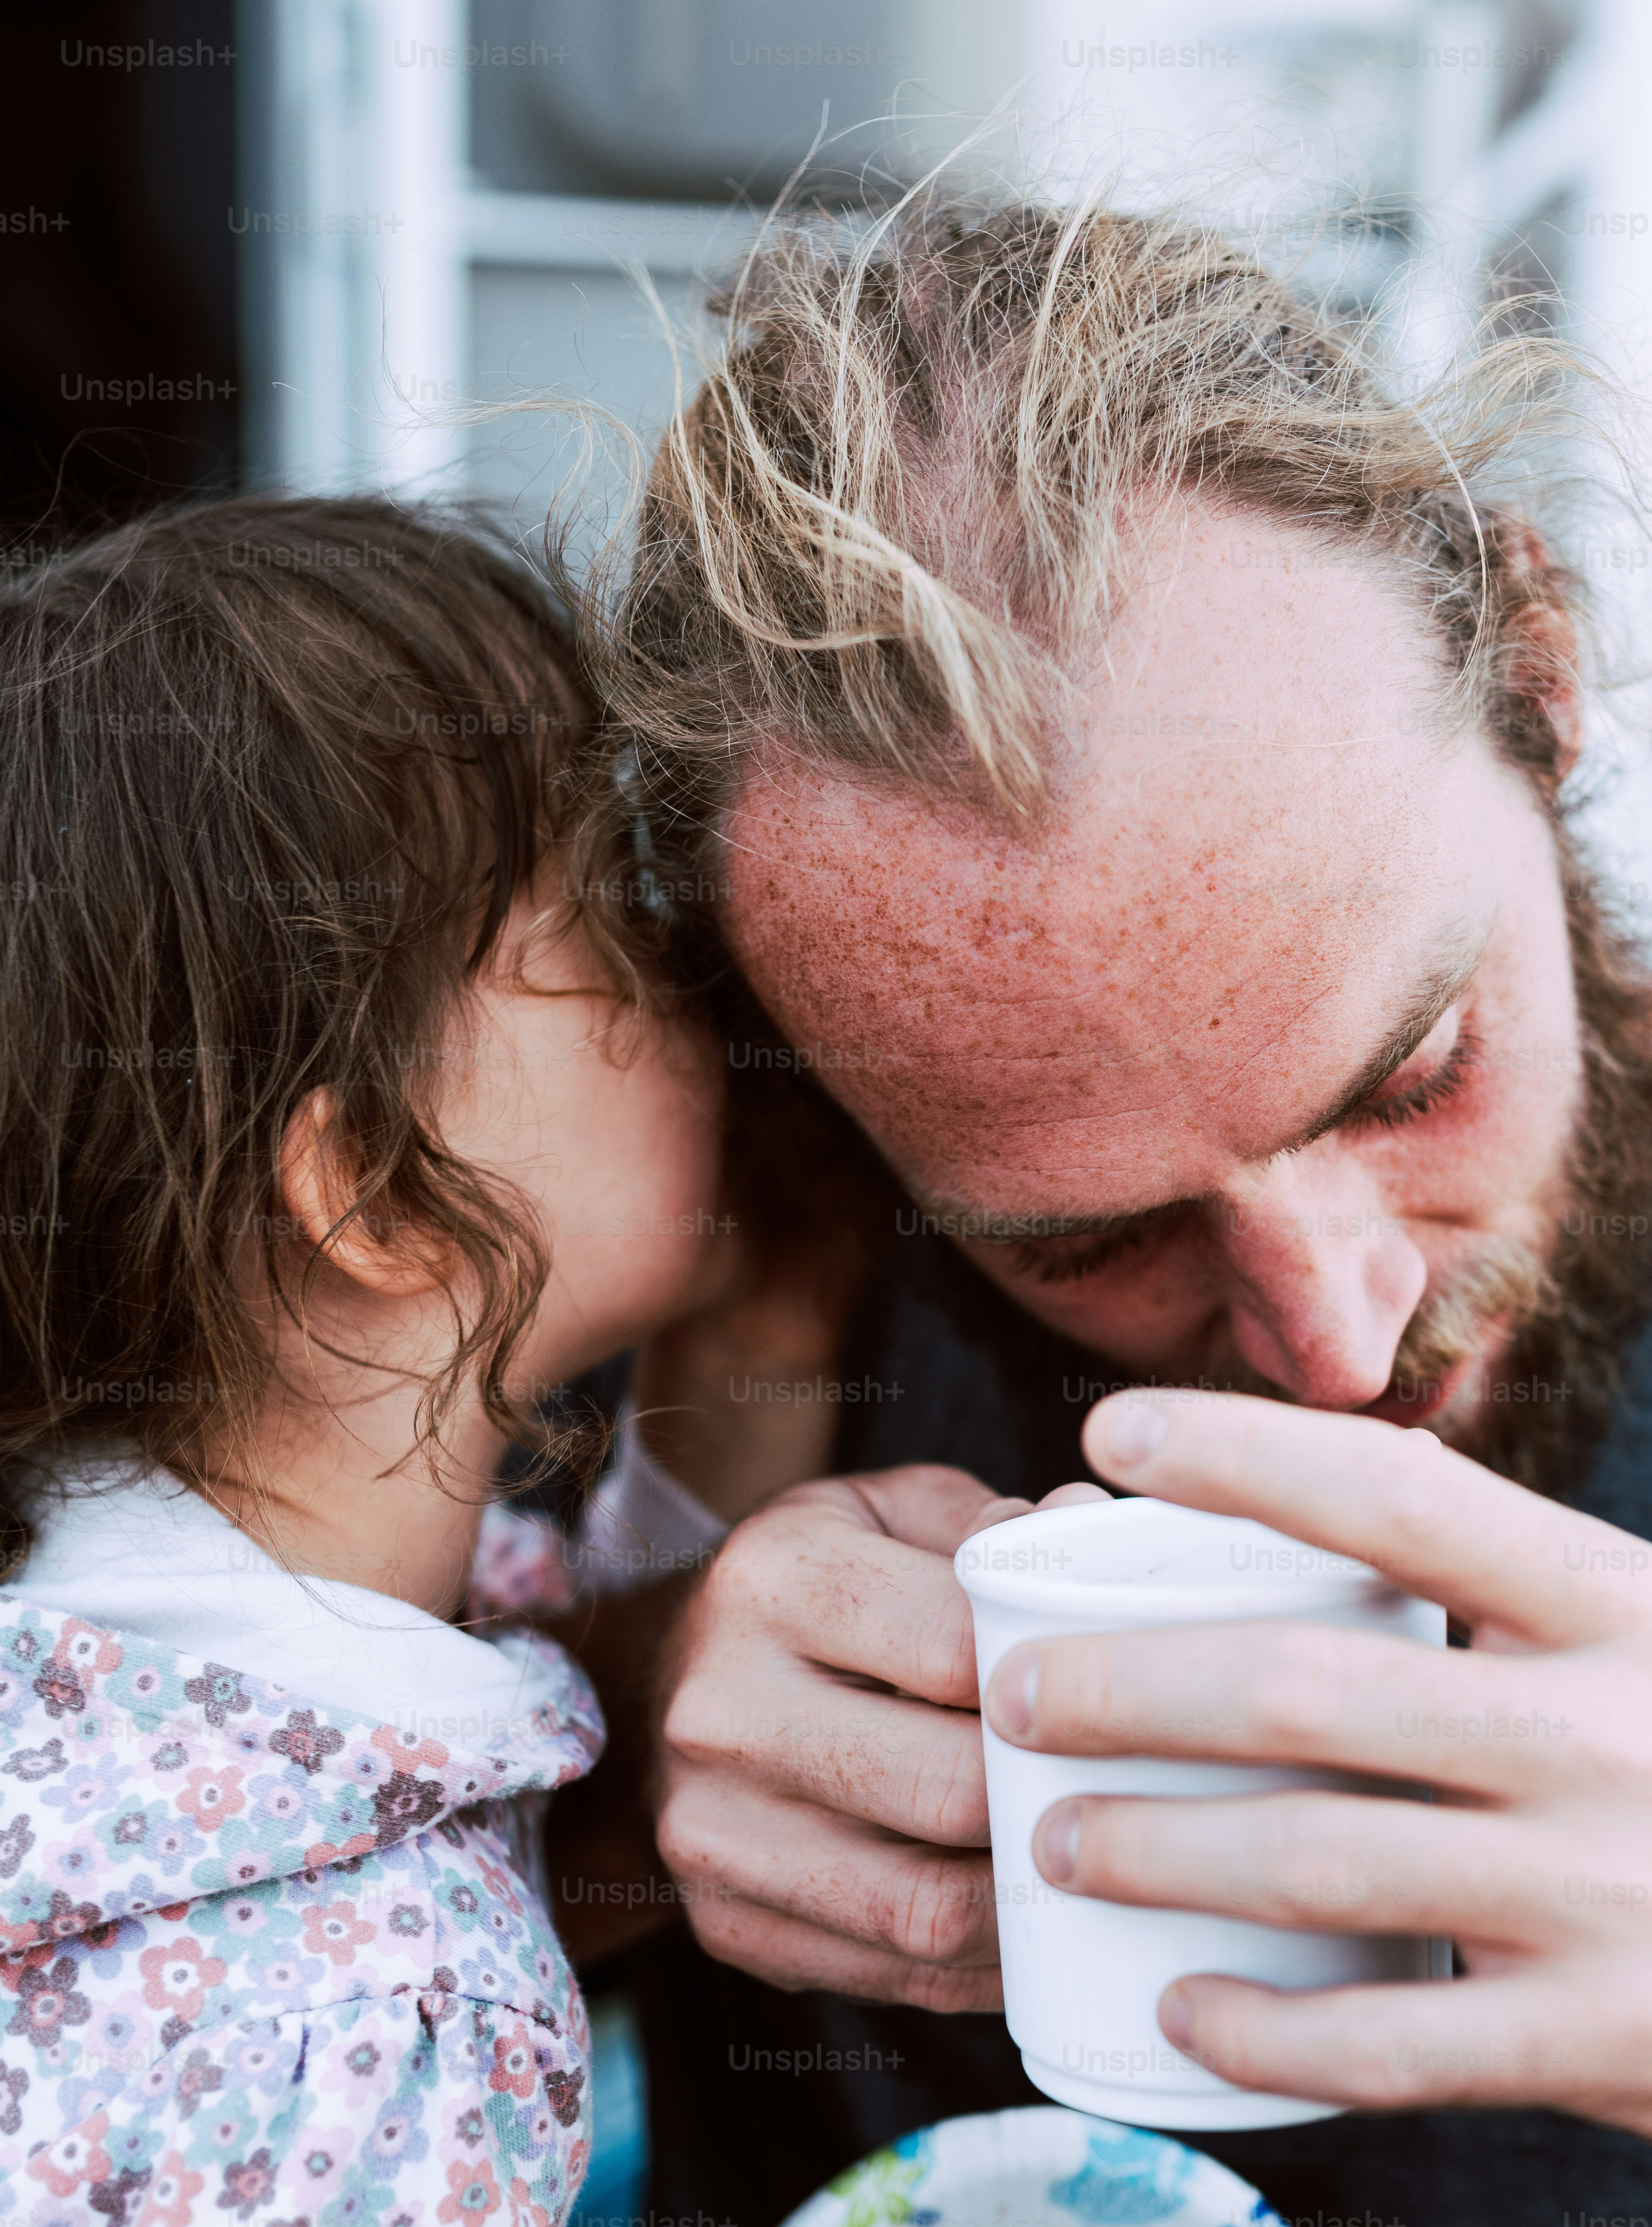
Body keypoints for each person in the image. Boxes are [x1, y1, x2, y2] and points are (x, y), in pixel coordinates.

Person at [547, 189, 1652, 2223]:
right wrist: (612, 1736)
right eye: (1086, 1239)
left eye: (1413, 1075)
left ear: (1541, 670)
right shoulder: (668, 1287)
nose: (1334, 1335)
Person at [0, 495, 751, 2225]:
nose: (693, 959)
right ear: (386, 1196)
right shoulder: (380, 2021)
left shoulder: (118, 1677)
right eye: (605, 919)